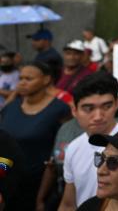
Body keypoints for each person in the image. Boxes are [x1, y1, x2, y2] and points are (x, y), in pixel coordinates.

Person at [0, 61, 70, 210]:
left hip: (41, 187)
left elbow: (61, 149)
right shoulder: (11, 108)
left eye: (29, 79)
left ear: (46, 79)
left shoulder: (60, 109)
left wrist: (42, 197)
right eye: (21, 78)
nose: (22, 83)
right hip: (8, 184)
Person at [57, 72, 118, 210]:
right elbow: (68, 204)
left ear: (117, 104)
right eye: (88, 108)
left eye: (106, 106)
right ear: (74, 111)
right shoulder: (73, 148)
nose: (98, 116)